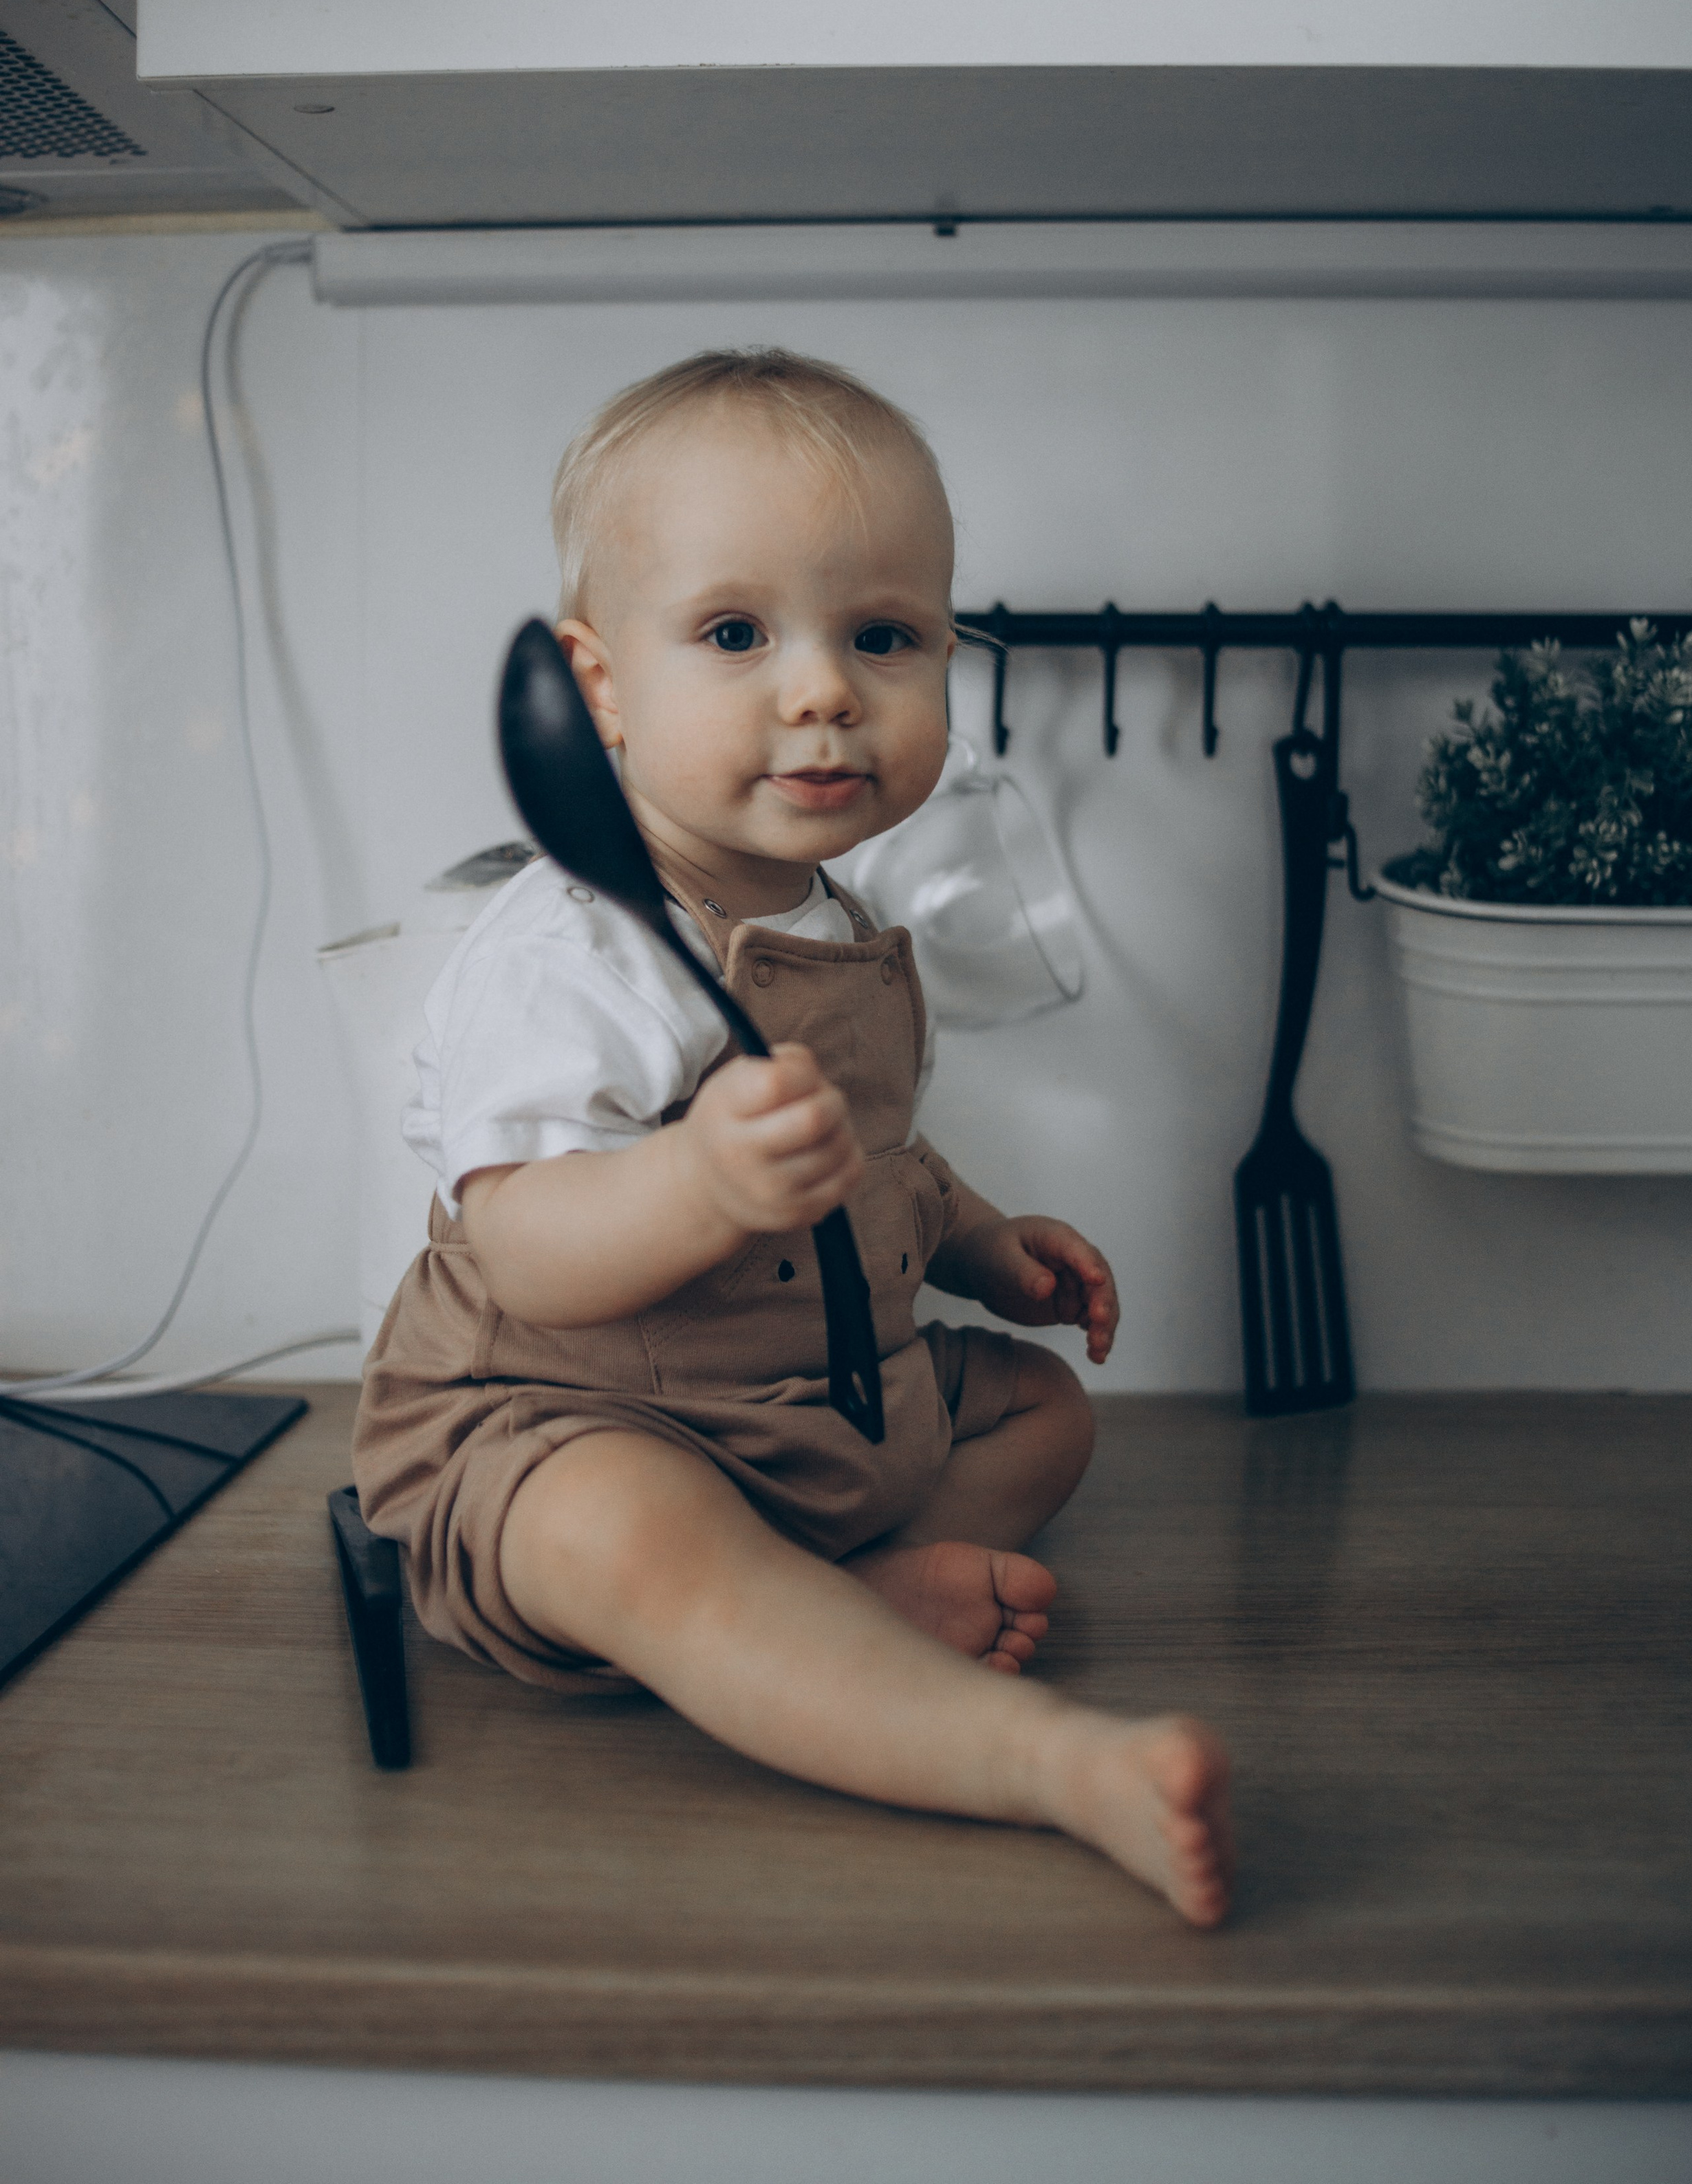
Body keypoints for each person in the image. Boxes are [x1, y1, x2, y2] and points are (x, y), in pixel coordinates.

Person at [353, 348, 1232, 1925]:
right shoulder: (579, 945)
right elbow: (525, 1246)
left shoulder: (838, 915)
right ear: (600, 685)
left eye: (882, 635)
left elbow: (872, 1155)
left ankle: (812, 1613)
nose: (823, 687)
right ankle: (1043, 1766)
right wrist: (691, 1179)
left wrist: (974, 1238)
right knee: (633, 1533)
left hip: (810, 1403)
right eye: (736, 633)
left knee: (1042, 1414)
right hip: (561, 1414)